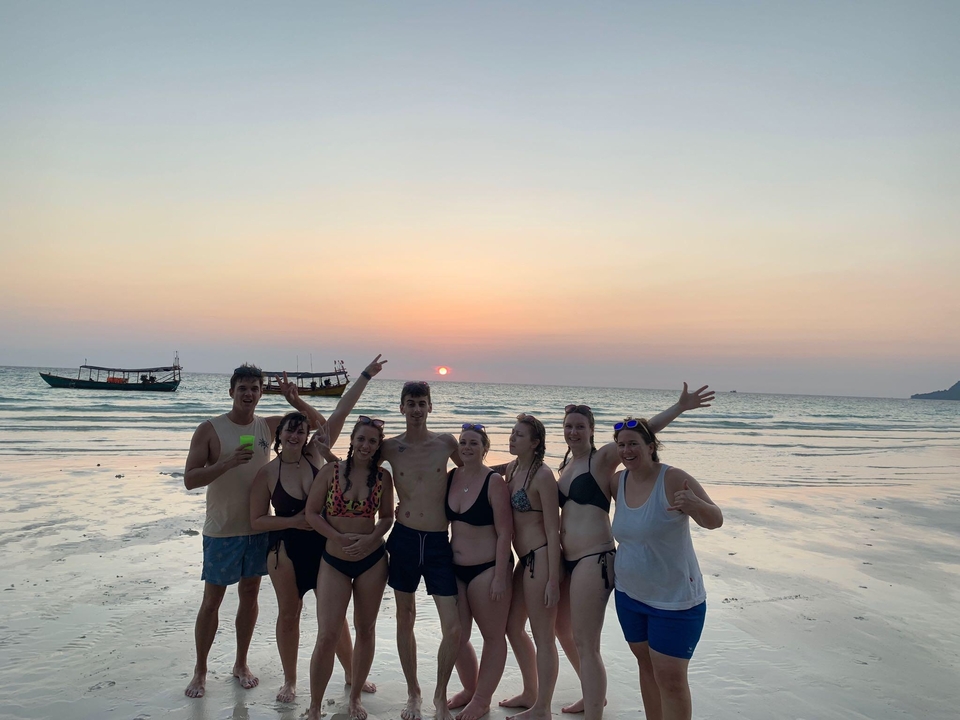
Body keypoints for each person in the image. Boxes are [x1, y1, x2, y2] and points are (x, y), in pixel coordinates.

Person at [555, 384, 714, 720]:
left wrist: (679, 407)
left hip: (666, 592)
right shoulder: (606, 477)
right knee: (644, 665)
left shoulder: (606, 463)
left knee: (669, 676)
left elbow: (643, 430)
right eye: (568, 425)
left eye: (580, 426)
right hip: (631, 589)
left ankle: (594, 709)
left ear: (592, 431)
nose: (573, 431)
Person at [248, 355, 387, 703]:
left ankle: (352, 673)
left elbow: (339, 413)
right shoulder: (267, 473)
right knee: (289, 612)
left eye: (300, 428)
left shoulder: (315, 457)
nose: (296, 433)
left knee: (334, 619)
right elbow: (257, 520)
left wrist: (364, 376)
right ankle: (291, 681)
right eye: (289, 429)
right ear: (277, 435)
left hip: (324, 546)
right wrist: (294, 521)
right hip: (285, 549)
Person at [183, 364, 323, 699]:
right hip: (222, 529)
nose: (248, 394)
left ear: (261, 393)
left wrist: (297, 401)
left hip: (260, 528)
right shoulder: (210, 430)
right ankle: (200, 670)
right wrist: (226, 464)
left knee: (250, 596)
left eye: (254, 388)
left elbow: (318, 427)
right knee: (211, 602)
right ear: (231, 391)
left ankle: (240, 663)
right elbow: (190, 479)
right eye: (242, 388)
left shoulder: (269, 426)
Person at [610, 417, 722, 720]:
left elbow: (715, 519)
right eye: (621, 445)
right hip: (629, 595)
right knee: (646, 668)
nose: (626, 450)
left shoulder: (672, 478)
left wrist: (695, 506)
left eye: (634, 443)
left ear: (651, 446)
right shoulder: (617, 481)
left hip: (676, 599)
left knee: (670, 678)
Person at [380, 381, 462, 720]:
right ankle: (414, 692)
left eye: (421, 403)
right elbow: (352, 463)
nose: (416, 409)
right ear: (401, 408)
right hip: (404, 538)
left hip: (439, 541)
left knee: (453, 626)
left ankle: (440, 695)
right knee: (405, 617)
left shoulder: (446, 443)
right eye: (410, 403)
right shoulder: (388, 447)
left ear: (430, 408)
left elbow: (473, 473)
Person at [304, 415, 395, 720]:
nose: (366, 445)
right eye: (361, 439)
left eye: (372, 441)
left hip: (372, 560)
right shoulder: (330, 471)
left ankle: (355, 696)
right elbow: (312, 513)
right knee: (327, 634)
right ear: (352, 440)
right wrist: (338, 537)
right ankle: (315, 705)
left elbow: (386, 518)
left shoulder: (383, 478)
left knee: (365, 629)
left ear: (377, 445)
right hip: (334, 561)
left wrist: (370, 541)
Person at [445, 423, 514, 720]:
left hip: (487, 569)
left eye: (474, 443)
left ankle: (483, 699)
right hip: (456, 568)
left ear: (485, 448)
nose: (467, 447)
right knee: (456, 634)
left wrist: (500, 575)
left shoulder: (494, 481)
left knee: (493, 636)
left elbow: (504, 532)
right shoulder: (450, 477)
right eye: (463, 442)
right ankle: (470, 690)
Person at [498, 413, 562, 720]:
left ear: (535, 443)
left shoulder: (543, 476)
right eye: (512, 433)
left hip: (542, 558)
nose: (512, 438)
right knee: (512, 627)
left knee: (543, 636)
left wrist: (553, 579)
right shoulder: (512, 468)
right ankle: (530, 692)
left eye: (519, 435)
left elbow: (553, 529)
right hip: (525, 561)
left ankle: (543, 709)